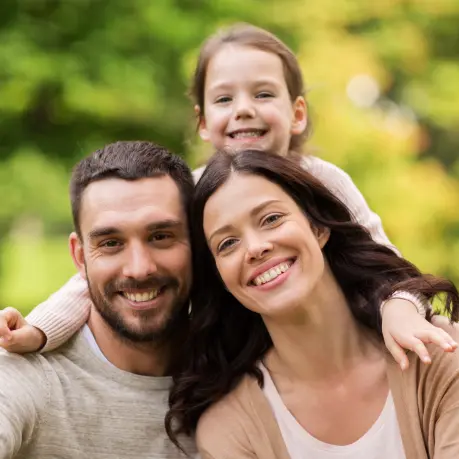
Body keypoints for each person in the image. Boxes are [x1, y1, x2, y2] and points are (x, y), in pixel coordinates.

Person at [0, 23, 455, 371]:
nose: (243, 109)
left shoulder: (324, 181)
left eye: (262, 93)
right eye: (224, 99)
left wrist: (402, 309)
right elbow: (97, 275)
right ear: (202, 122)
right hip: (244, 361)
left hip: (345, 347)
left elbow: (387, 264)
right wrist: (40, 330)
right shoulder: (193, 192)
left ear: (296, 113)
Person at [167, 149, 459, 459]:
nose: (254, 248)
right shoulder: (230, 429)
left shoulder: (437, 353)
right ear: (220, 277)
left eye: (271, 219)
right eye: (227, 243)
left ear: (318, 227)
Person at [0, 141, 196, 458]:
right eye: (111, 242)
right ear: (80, 256)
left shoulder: (239, 371)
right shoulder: (29, 377)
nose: (139, 268)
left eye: (160, 236)